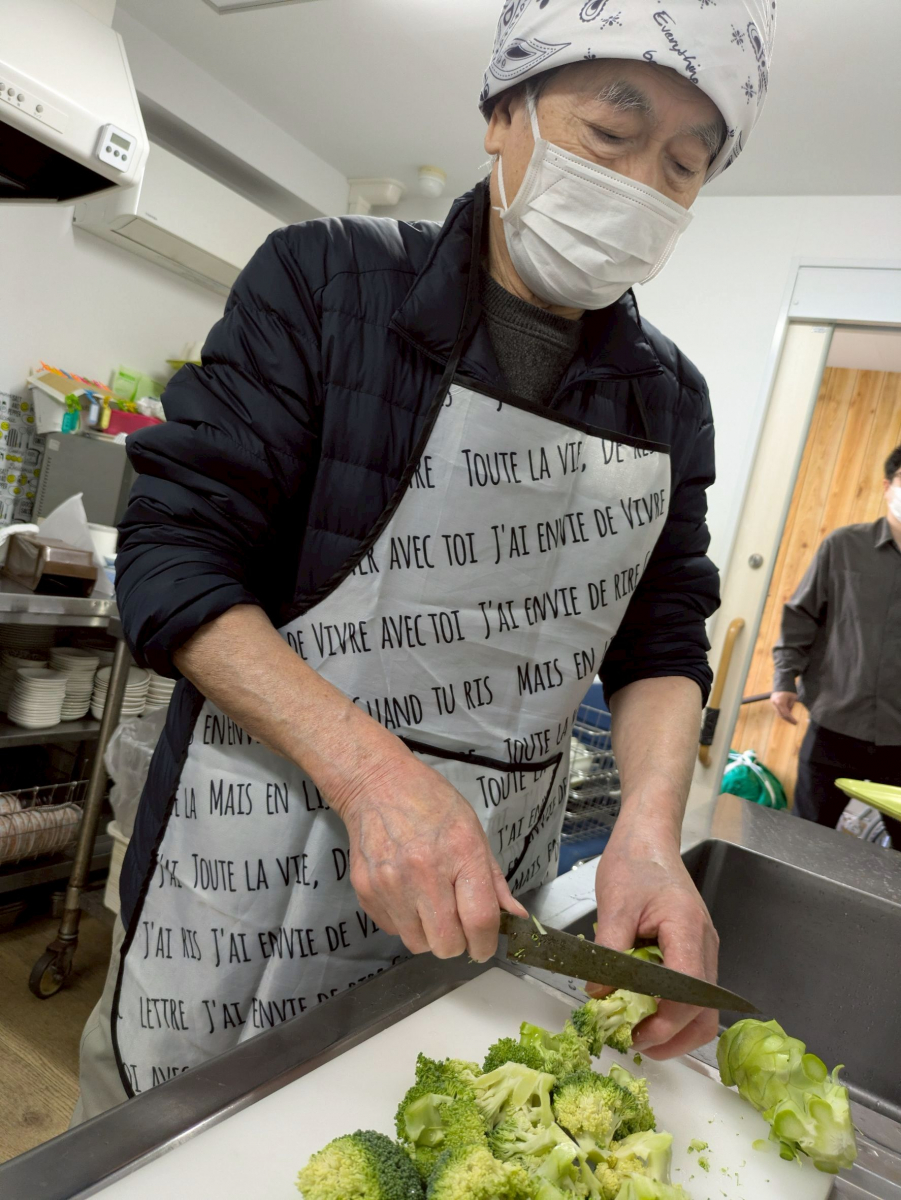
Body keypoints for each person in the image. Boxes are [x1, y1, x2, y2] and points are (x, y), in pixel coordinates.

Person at [72, 0, 776, 1121]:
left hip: (484, 897)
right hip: (247, 863)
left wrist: (649, 834)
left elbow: (662, 639)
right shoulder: (326, 280)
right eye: (610, 134)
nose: (641, 185)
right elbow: (171, 554)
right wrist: (371, 777)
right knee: (172, 1142)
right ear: (503, 114)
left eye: (683, 167)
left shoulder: (669, 401)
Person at [772, 445, 901, 849]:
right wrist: (784, 678)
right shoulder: (844, 545)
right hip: (835, 724)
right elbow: (801, 614)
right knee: (805, 842)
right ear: (887, 486)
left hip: (900, 738)